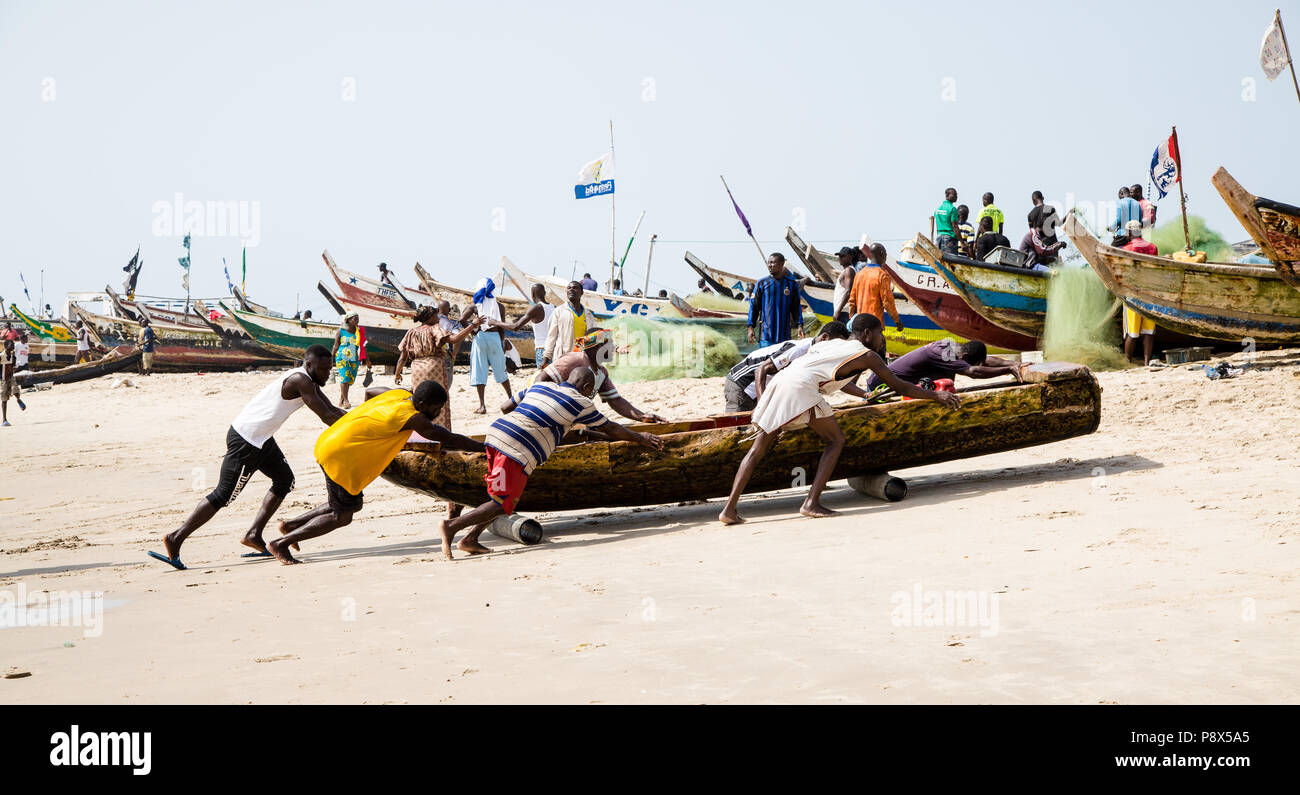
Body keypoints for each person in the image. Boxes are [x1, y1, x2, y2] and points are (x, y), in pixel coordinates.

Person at [718, 314, 960, 524]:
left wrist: (865, 395)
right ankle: (811, 503)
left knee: (758, 449)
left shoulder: (831, 344)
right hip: (800, 388)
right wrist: (935, 395)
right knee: (836, 440)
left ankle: (729, 509)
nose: (881, 340)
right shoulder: (867, 355)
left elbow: (835, 379)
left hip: (781, 383)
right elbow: (898, 384)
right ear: (867, 334)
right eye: (879, 334)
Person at [147, 346, 347, 570]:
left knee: (284, 480)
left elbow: (332, 409)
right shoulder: (301, 380)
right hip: (246, 440)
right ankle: (175, 537)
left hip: (262, 439)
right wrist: (365, 430)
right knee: (224, 495)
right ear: (308, 365)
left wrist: (360, 417)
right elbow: (327, 416)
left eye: (330, 369)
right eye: (323, 369)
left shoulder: (309, 380)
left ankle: (254, 535)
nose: (327, 374)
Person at [438, 366, 664, 559]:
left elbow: (507, 407)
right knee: (503, 501)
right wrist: (641, 438)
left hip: (496, 435)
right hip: (515, 448)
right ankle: (451, 528)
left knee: (504, 497)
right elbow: (611, 428)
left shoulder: (541, 385)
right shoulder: (580, 402)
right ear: (586, 388)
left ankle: (470, 538)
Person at [268, 381, 485, 565]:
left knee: (347, 503)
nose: (438, 413)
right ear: (421, 404)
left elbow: (371, 391)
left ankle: (291, 525)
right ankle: (280, 544)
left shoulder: (401, 395)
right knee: (341, 515)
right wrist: (485, 448)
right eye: (436, 408)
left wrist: (369, 424)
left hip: (333, 440)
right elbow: (447, 437)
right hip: (340, 454)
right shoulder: (412, 417)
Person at [506, 329, 669, 423]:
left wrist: (642, 416)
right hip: (541, 411)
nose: (613, 348)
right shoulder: (575, 359)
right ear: (594, 348)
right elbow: (540, 380)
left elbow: (615, 401)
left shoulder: (602, 372)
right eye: (609, 345)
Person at [724, 321, 855, 413]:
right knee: (738, 429)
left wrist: (865, 394)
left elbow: (837, 381)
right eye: (836, 344)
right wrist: (762, 404)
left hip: (760, 388)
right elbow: (761, 370)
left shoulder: (818, 355)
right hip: (741, 384)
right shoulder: (798, 349)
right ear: (825, 338)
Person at [393, 304, 476, 429]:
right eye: (436, 315)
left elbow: (402, 357)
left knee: (420, 400)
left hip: (417, 369)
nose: (438, 318)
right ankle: (441, 429)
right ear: (430, 318)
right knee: (438, 398)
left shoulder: (411, 332)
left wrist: (397, 373)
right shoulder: (435, 329)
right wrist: (473, 326)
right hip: (434, 367)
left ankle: (421, 431)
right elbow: (454, 339)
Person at [865, 338, 1021, 390]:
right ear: (965, 357)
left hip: (892, 384)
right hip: (879, 388)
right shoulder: (946, 355)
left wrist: (1014, 364)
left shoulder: (953, 347)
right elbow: (974, 372)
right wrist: (1007, 369)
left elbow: (984, 361)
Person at [468, 277, 512, 414]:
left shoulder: (476, 305)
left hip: (480, 338)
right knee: (501, 371)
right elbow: (502, 327)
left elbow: (462, 319)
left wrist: (473, 330)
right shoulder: (499, 306)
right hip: (495, 338)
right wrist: (500, 342)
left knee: (480, 372)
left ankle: (482, 406)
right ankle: (512, 400)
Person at [483, 283, 552, 367]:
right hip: (553, 349)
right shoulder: (553, 307)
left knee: (543, 378)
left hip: (542, 350)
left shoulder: (536, 308)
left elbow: (515, 327)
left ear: (532, 295)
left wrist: (495, 322)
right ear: (545, 293)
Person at [1119, 220, 1159, 364]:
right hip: (1150, 293)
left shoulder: (1126, 249)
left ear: (1129, 232)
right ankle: (1147, 362)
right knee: (1149, 331)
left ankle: (1127, 361)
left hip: (1133, 293)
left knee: (1133, 332)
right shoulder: (1152, 247)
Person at [747, 253, 804, 346]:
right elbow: (754, 307)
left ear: (782, 264)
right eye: (769, 262)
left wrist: (800, 325)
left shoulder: (791, 284)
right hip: (766, 336)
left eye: (773, 262)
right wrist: (750, 327)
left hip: (784, 336)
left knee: (783, 360)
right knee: (765, 360)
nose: (769, 265)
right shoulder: (762, 283)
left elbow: (796, 307)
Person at [848, 243, 904, 333]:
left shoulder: (860, 274)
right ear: (882, 253)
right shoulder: (882, 275)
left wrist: (852, 319)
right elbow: (887, 302)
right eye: (885, 253)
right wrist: (897, 321)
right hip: (874, 327)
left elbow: (852, 300)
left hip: (860, 326)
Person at [544, 280, 597, 369]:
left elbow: (594, 337)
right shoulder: (559, 311)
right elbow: (551, 336)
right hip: (563, 357)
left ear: (582, 292)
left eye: (575, 288)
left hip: (582, 359)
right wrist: (546, 358)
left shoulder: (588, 315)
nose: (571, 290)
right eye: (569, 288)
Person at [332, 311, 369, 409]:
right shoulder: (341, 331)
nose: (357, 320)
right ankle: (347, 401)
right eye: (355, 319)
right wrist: (331, 359)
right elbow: (336, 346)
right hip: (342, 358)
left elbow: (363, 346)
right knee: (345, 378)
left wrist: (368, 360)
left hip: (354, 358)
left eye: (358, 319)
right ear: (349, 320)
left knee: (349, 380)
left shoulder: (359, 331)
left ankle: (341, 401)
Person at [830, 247, 860, 322]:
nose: (840, 258)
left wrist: (838, 311)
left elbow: (848, 292)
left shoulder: (848, 270)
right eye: (839, 256)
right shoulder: (848, 271)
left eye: (843, 256)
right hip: (844, 312)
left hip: (844, 312)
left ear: (850, 257)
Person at [1, 337, 26, 426]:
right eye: (12, 345)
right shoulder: (1, 356)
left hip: (11, 377)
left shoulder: (13, 356)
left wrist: (13, 369)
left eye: (14, 345)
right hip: (3, 380)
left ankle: (18, 400)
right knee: (4, 399)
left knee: (15, 389)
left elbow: (13, 366)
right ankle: (4, 419)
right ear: (6, 346)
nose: (13, 346)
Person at [934, 188, 960, 255]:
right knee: (950, 262)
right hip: (949, 239)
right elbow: (955, 226)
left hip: (938, 238)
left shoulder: (937, 210)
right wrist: (962, 242)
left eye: (956, 194)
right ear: (947, 195)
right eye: (954, 194)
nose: (956, 196)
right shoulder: (952, 209)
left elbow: (937, 225)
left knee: (939, 260)